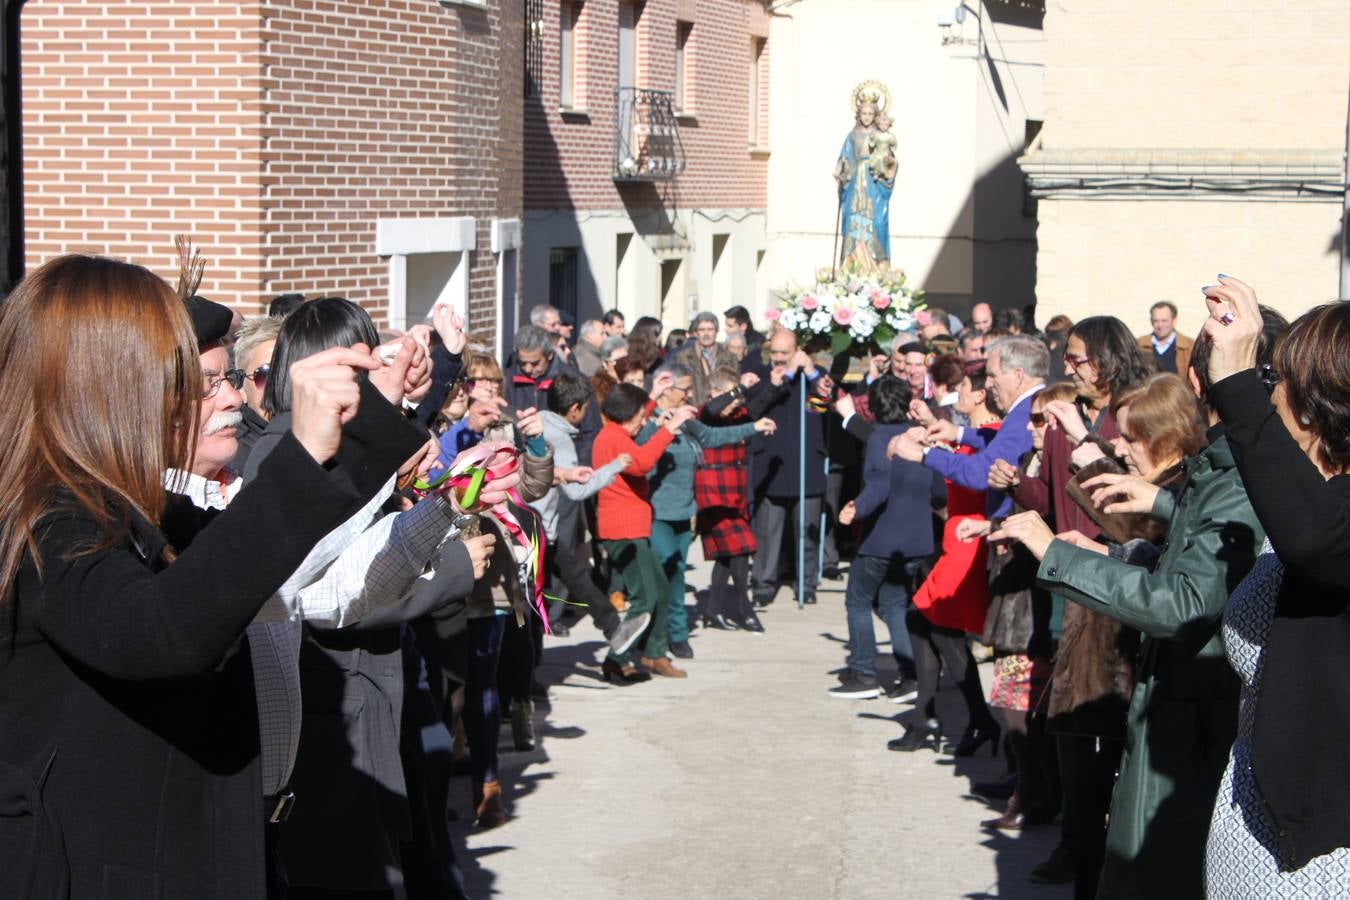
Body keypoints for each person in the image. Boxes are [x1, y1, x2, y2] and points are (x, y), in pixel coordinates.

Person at [0, 255, 415, 899]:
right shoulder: (47, 520)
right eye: (181, 378)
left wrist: (367, 416)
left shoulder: (133, 506)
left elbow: (260, 562)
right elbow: (163, 633)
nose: (218, 398)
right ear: (106, 386)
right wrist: (302, 454)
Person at [1196, 279, 1350, 896]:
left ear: (1317, 403)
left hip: (1324, 853)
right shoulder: (1306, 499)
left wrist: (1236, 384)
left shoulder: (1324, 522)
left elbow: (1319, 543)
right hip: (1253, 821)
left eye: (1274, 379)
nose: (1268, 393)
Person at [641, 363, 772, 658]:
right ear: (666, 389)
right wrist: (655, 408)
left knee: (675, 574)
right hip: (656, 512)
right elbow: (639, 447)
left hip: (683, 512)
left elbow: (711, 437)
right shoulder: (649, 419)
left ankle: (676, 634)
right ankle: (659, 634)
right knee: (666, 572)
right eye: (685, 389)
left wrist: (754, 427)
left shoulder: (686, 419)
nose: (690, 395)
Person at [830, 375, 945, 701]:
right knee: (895, 604)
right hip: (917, 538)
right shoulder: (920, 435)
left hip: (882, 538)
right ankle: (910, 674)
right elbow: (939, 489)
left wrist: (857, 507)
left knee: (858, 601)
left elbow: (880, 482)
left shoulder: (880, 437)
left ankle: (863, 672)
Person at [534, 374, 651, 659]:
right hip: (536, 533)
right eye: (586, 408)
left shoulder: (539, 423)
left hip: (538, 531)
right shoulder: (559, 438)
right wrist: (613, 467)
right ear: (574, 408)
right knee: (538, 599)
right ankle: (526, 673)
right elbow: (577, 490)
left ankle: (614, 630)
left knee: (575, 578)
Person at [592, 383, 697, 679]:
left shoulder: (616, 432)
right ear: (627, 414)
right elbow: (641, 463)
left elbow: (635, 429)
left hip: (633, 527)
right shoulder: (613, 438)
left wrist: (651, 402)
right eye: (641, 416)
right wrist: (669, 429)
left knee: (660, 590)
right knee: (644, 598)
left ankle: (653, 653)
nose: (643, 421)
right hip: (623, 530)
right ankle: (617, 658)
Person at [744, 329, 831, 607]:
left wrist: (811, 373)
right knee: (767, 532)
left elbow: (823, 406)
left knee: (806, 531)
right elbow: (755, 408)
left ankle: (806, 583)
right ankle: (763, 584)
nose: (779, 358)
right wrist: (786, 376)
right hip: (771, 463)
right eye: (775, 352)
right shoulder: (760, 375)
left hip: (807, 462)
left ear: (798, 351)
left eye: (785, 353)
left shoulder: (813, 375)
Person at [695, 368, 775, 632]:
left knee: (728, 555)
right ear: (715, 392)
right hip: (713, 494)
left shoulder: (738, 415)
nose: (737, 402)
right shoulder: (705, 415)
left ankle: (713, 609)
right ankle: (745, 609)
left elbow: (758, 406)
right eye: (731, 396)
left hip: (736, 492)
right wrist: (740, 387)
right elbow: (712, 408)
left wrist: (772, 383)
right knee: (741, 547)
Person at [506, 324, 599, 462]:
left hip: (565, 461)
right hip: (522, 462)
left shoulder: (574, 381)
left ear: (549, 355)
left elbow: (590, 430)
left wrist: (579, 465)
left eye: (535, 363)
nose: (527, 369)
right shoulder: (507, 380)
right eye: (522, 362)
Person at [232, 314, 284, 473]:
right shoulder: (236, 454)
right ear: (241, 388)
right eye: (265, 374)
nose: (278, 386)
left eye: (286, 373)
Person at [672, 311, 737, 405]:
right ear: (696, 333)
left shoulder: (730, 357)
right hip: (693, 409)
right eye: (702, 330)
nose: (706, 333)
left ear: (716, 332)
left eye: (710, 329)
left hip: (723, 409)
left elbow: (735, 388)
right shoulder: (681, 357)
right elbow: (676, 389)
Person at [1135, 300, 1192, 376]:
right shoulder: (1139, 345)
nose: (1160, 325)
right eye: (1156, 321)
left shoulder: (1189, 347)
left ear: (1174, 321)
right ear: (1151, 321)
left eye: (1164, 321)